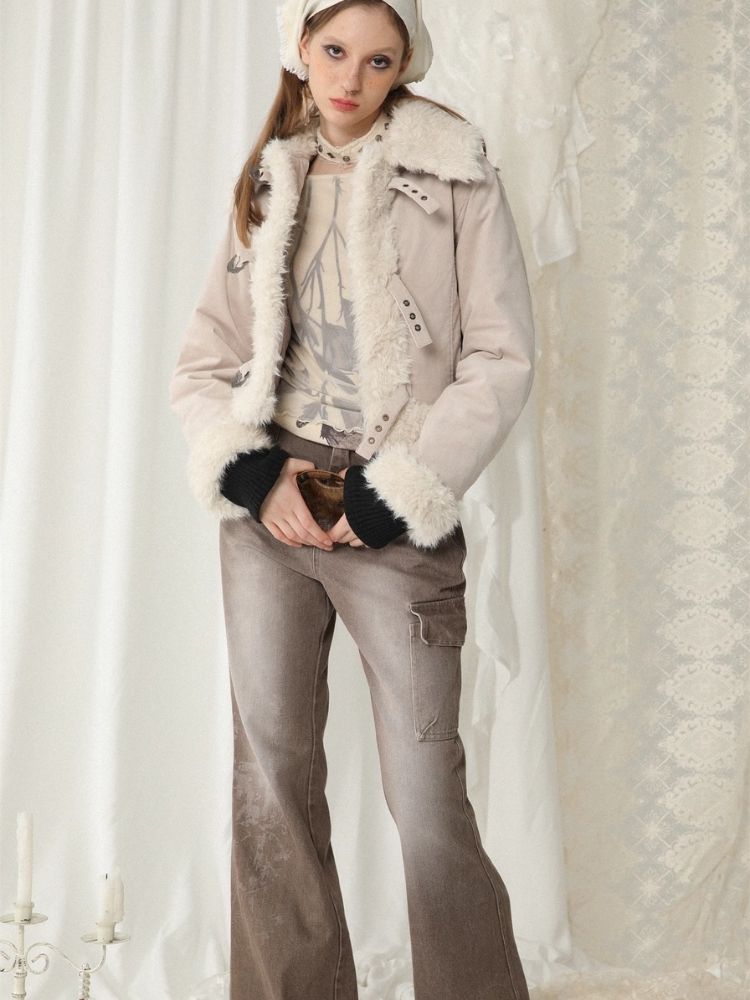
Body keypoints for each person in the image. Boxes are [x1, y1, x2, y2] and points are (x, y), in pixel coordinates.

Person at [169, 1, 536, 997]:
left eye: (379, 60)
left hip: (395, 507)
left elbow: (500, 356)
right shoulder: (270, 177)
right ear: (300, 47)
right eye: (334, 51)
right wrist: (255, 476)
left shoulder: (456, 171)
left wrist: (392, 493)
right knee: (270, 777)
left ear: (405, 64)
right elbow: (205, 361)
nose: (351, 78)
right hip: (272, 507)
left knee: (426, 793)